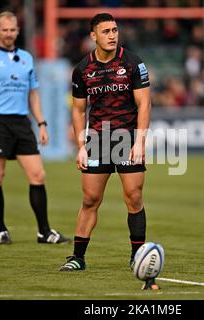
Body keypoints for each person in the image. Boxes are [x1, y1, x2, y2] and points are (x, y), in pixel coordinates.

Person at [59, 13, 151, 271]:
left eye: (114, 30)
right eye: (106, 31)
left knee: (133, 196)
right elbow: (78, 111)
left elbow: (144, 103)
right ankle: (77, 257)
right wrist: (80, 146)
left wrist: (140, 141)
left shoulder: (133, 63)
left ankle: (137, 256)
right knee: (90, 199)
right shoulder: (82, 70)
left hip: (127, 137)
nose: (112, 35)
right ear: (93, 36)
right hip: (97, 139)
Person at [0, 11, 70, 245]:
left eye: (12, 29)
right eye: (4, 29)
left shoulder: (27, 58)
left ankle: (44, 232)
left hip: (21, 122)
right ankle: (2, 230)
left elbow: (33, 95)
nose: (9, 33)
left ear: (18, 31)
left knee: (38, 175)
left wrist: (42, 123)